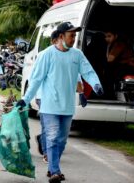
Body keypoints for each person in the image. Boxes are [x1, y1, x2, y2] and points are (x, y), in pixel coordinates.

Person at [16, 22, 103, 183]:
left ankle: (53, 167)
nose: (74, 38)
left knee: (62, 140)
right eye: (71, 35)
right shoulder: (46, 55)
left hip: (67, 107)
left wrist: (96, 84)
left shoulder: (77, 55)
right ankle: (54, 170)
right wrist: (25, 99)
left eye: (75, 35)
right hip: (49, 106)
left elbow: (87, 71)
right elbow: (35, 80)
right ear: (61, 36)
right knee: (52, 136)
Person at [35, 30, 87, 165]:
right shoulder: (44, 55)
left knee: (57, 132)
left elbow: (77, 77)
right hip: (43, 96)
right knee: (48, 129)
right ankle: (47, 153)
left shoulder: (72, 57)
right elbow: (36, 78)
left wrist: (81, 94)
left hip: (60, 100)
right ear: (55, 41)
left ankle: (47, 146)